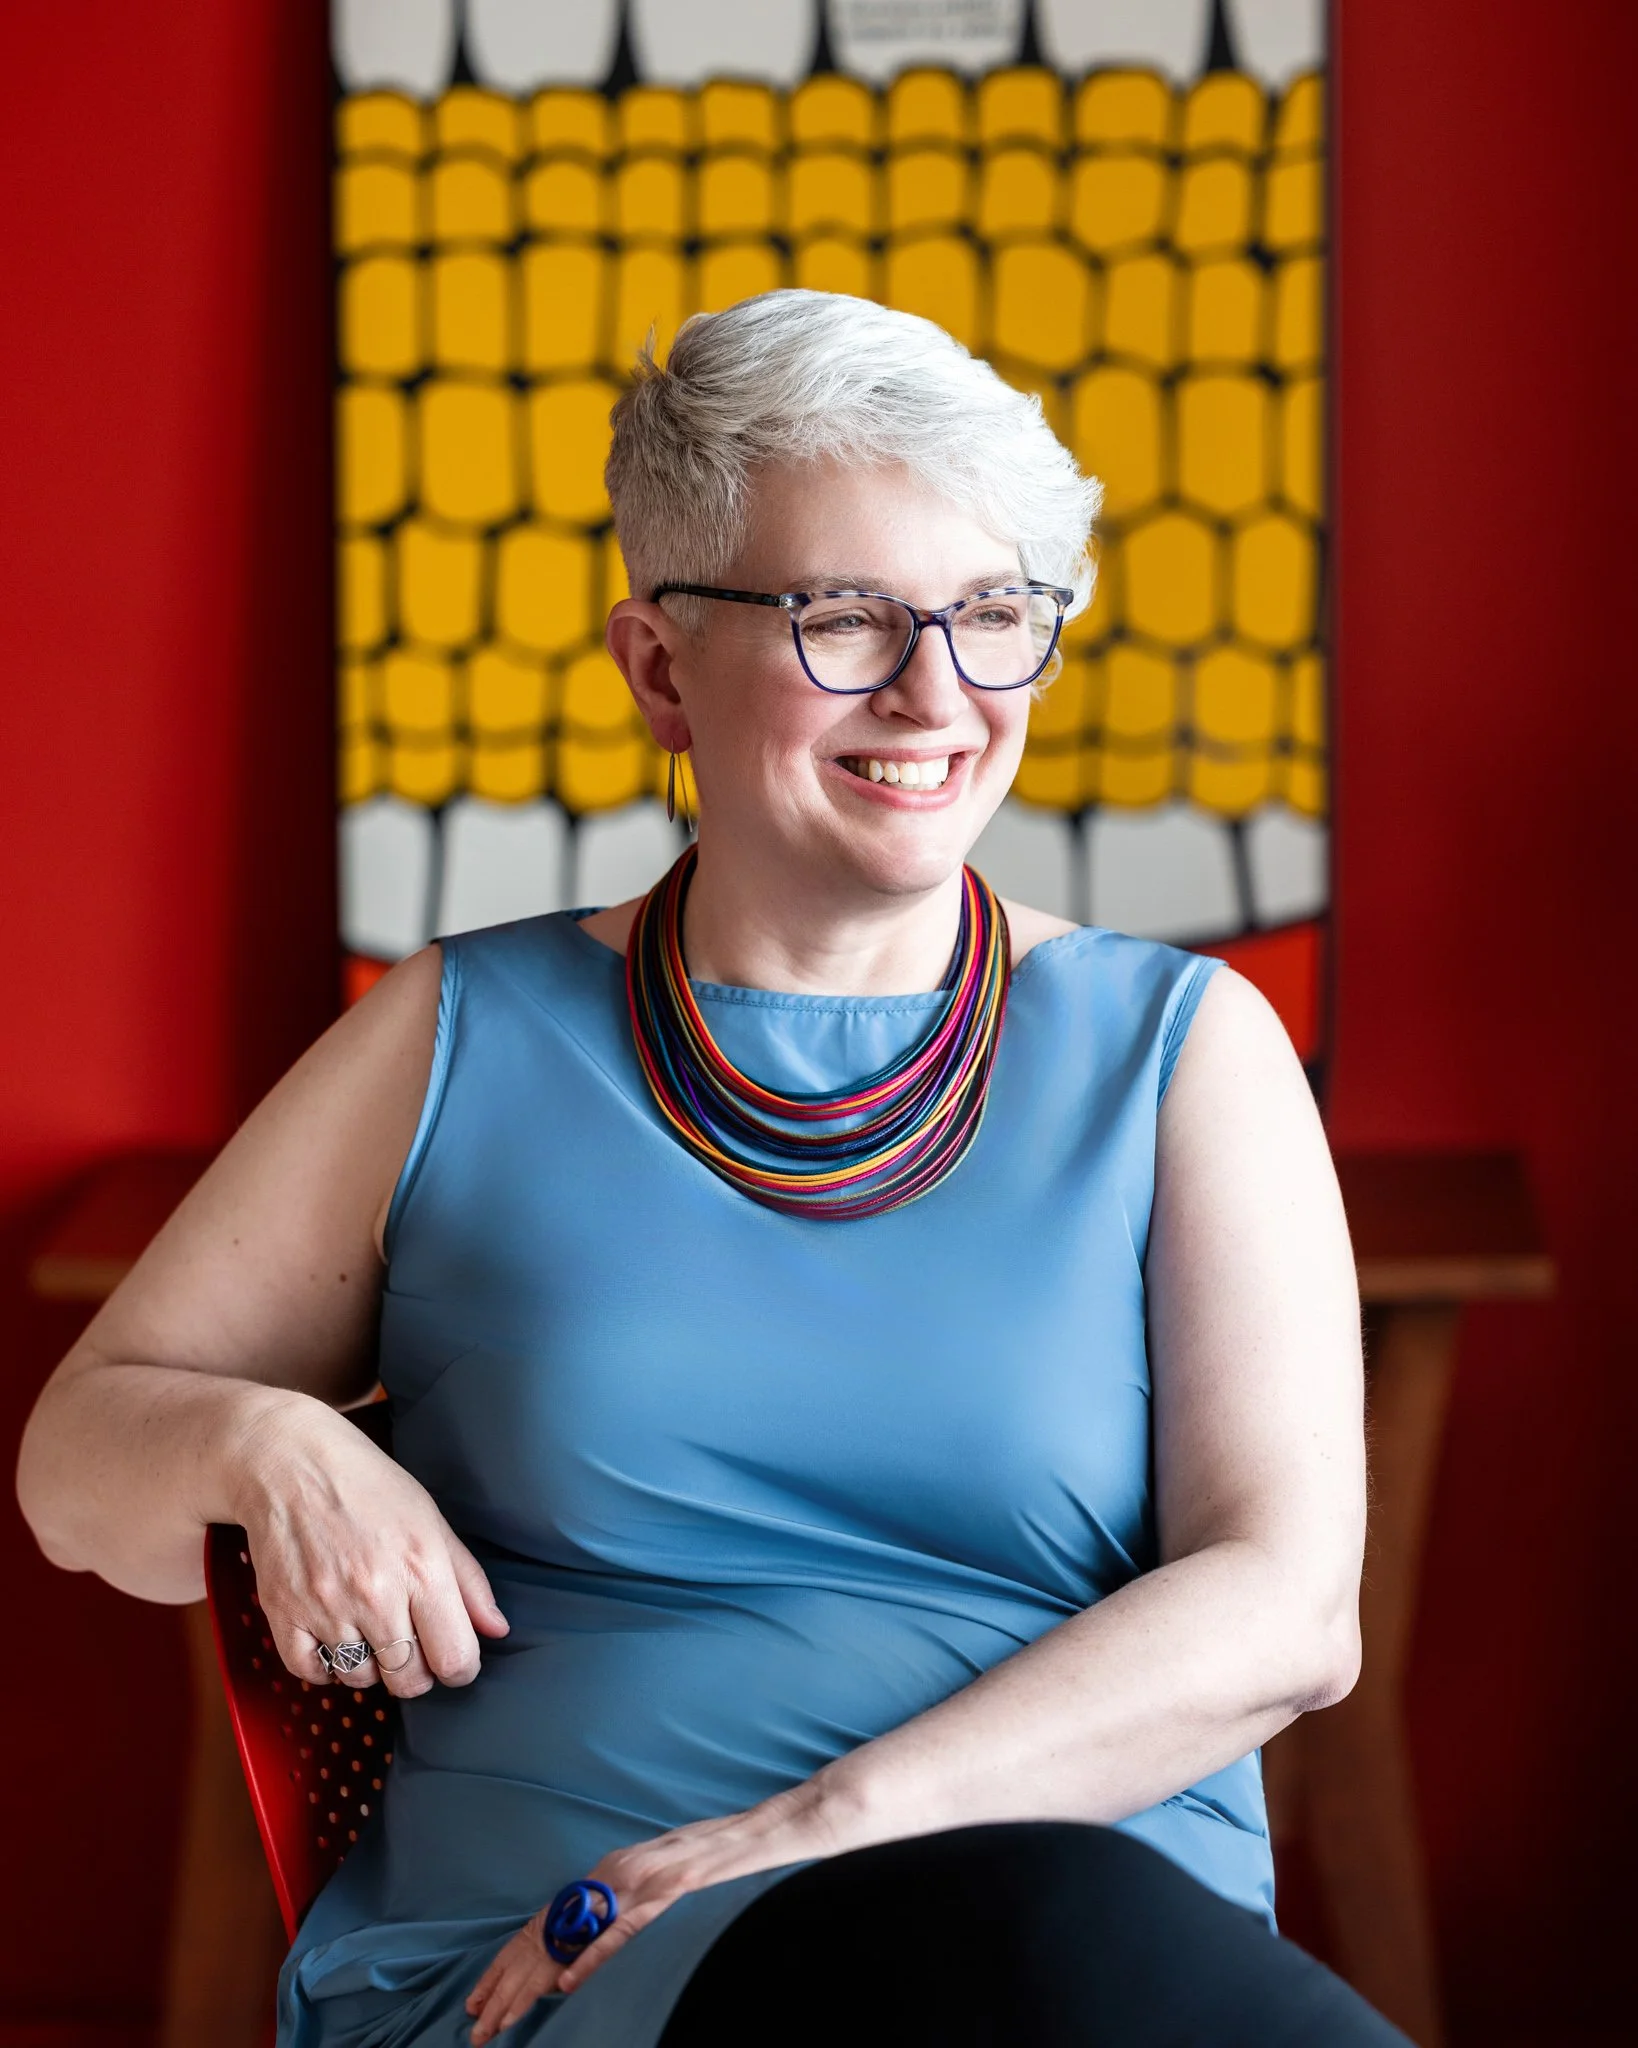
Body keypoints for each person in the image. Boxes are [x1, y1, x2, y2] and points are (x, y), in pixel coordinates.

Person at [18, 290, 1404, 2047]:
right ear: (659, 666)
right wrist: (260, 1438)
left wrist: (802, 1833)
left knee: (1038, 1930)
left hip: (1070, 1926)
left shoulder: (1179, 1054)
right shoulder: (463, 1033)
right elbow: (79, 1477)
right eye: (845, 618)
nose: (936, 694)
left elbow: (1287, 1613)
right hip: (570, 1961)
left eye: (993, 616)